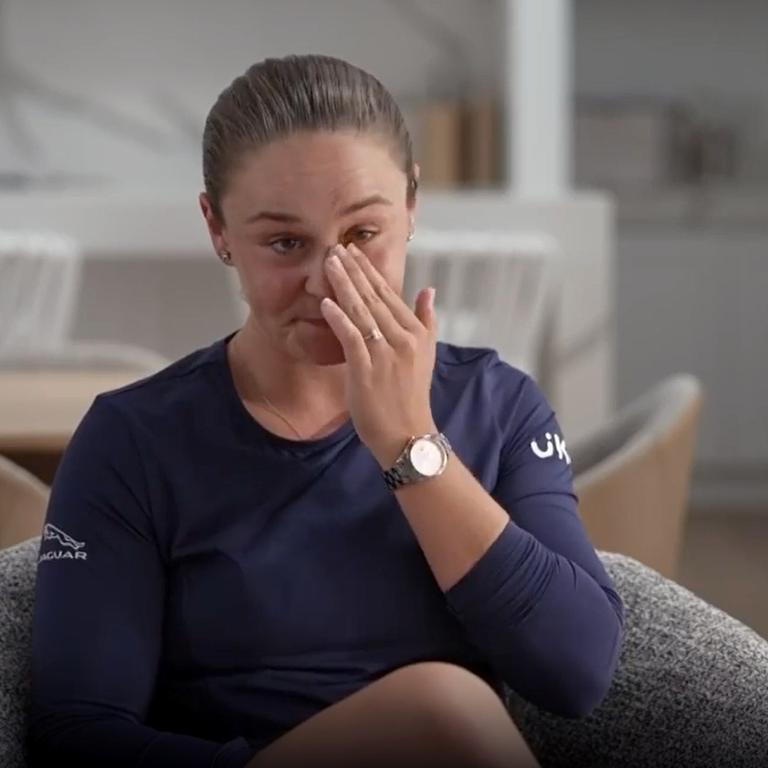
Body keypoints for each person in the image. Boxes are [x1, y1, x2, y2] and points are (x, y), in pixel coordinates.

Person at [26, 54, 624, 768]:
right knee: (445, 711)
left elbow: (579, 672)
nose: (328, 282)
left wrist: (411, 444)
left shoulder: (498, 406)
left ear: (411, 207)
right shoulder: (132, 441)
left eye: (362, 236)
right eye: (285, 243)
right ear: (217, 229)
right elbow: (77, 734)